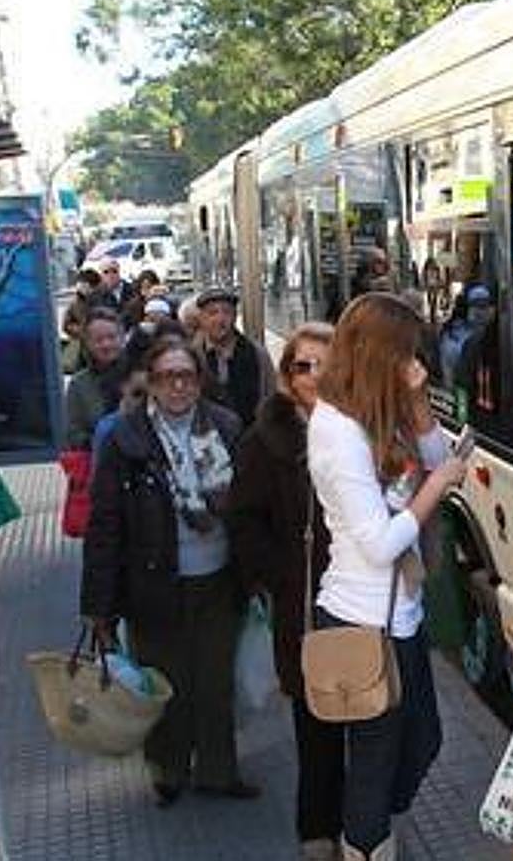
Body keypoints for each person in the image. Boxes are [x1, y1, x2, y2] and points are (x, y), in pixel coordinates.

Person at [305, 293, 468, 861]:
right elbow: (378, 544)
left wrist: (420, 402)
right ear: (379, 355)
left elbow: (435, 453)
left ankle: (372, 832)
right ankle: (367, 845)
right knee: (377, 759)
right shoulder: (336, 431)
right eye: (407, 356)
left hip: (401, 611)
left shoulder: (378, 407)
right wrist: (434, 487)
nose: (415, 365)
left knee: (424, 740)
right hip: (361, 617)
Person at [80, 336, 257, 808]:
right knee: (164, 682)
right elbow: (104, 524)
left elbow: (247, 508)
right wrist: (98, 606)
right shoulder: (125, 437)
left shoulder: (226, 426)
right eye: (166, 377)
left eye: (187, 376)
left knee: (215, 682)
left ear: (199, 381)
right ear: (150, 383)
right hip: (154, 583)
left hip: (219, 578)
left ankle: (219, 771)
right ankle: (169, 771)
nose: (178, 386)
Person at [227, 323, 344, 861]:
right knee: (316, 723)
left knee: (367, 717)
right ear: (287, 374)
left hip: (359, 598)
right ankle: (317, 829)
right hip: (303, 604)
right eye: (303, 366)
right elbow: (243, 521)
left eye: (325, 363)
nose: (314, 376)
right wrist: (281, 574)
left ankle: (362, 824)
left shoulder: (357, 426)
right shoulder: (265, 440)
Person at [196, 286, 276, 429]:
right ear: (202, 318)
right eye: (212, 313)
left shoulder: (256, 353)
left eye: (226, 312)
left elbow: (269, 395)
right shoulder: (193, 354)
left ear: (234, 316)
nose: (220, 319)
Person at [63, 309, 129, 450]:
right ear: (87, 343)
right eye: (98, 340)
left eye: (112, 337)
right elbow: (73, 433)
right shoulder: (78, 384)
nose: (106, 344)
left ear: (123, 338)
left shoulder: (141, 376)